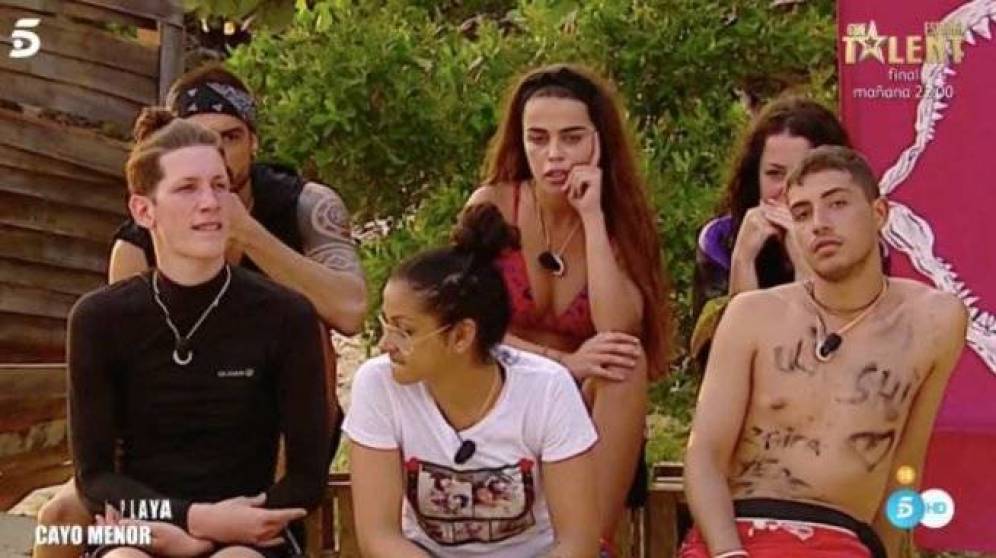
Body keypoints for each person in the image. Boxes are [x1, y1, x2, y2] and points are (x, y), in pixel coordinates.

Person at [36, 64, 362, 558]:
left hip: (249, 519)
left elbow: (305, 475)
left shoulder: (286, 304)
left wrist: (229, 527)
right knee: (78, 534)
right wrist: (183, 524)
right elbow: (96, 473)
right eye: (188, 188)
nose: (210, 203)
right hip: (144, 518)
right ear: (144, 210)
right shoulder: (101, 313)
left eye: (219, 186)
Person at [681, 146, 967, 558]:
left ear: (879, 213)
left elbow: (906, 463)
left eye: (837, 204)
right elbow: (704, 455)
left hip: (840, 536)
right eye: (802, 213)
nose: (819, 224)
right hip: (737, 531)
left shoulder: (933, 320)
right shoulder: (752, 315)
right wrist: (729, 553)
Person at [464, 64, 670, 554]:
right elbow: (466, 323)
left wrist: (592, 217)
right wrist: (562, 362)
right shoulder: (493, 205)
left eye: (572, 138)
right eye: (538, 139)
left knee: (626, 361)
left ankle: (589, 544)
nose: (554, 155)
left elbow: (619, 326)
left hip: (582, 407)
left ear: (600, 142)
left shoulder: (620, 219)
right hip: (501, 386)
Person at [344, 205, 599, 558]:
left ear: (461, 336)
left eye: (405, 331)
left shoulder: (547, 389)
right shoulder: (378, 384)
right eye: (385, 324)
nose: (386, 344)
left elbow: (577, 542)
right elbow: (380, 536)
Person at [690, 96, 851, 365]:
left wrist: (804, 265)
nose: (787, 190)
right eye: (775, 174)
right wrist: (743, 262)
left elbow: (828, 358)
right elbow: (722, 363)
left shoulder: (854, 241)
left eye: (803, 174)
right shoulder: (719, 239)